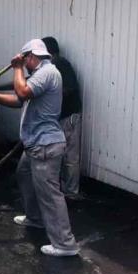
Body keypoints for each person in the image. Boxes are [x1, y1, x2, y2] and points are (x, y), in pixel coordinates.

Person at [0, 39, 79, 257]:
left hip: (45, 145)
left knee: (50, 194)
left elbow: (21, 92)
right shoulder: (39, 75)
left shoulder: (48, 72)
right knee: (23, 174)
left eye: (25, 60)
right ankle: (36, 218)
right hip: (34, 143)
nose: (24, 64)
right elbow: (18, 100)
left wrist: (17, 68)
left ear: (30, 57)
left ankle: (65, 244)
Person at [42, 36, 83, 200]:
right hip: (60, 117)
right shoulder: (51, 67)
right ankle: (64, 189)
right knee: (60, 155)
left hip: (68, 116)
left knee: (70, 156)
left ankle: (71, 192)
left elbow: (70, 88)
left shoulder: (61, 65)